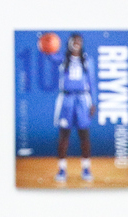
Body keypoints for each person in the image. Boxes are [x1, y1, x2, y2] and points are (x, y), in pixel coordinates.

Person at [54, 33, 96, 184]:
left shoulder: (87, 61)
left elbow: (92, 83)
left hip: (82, 100)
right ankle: (62, 169)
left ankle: (86, 168)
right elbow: (50, 55)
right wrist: (44, 42)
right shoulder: (63, 60)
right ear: (70, 43)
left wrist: (94, 102)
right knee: (64, 135)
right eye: (74, 41)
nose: (77, 43)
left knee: (84, 135)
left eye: (79, 41)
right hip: (67, 99)